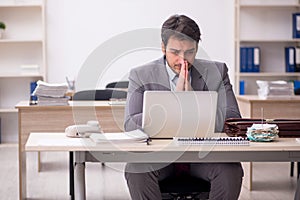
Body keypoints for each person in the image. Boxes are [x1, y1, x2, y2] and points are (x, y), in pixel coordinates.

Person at [124, 14, 243, 200]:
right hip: (159, 156)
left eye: (189, 52)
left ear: (196, 48)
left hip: (204, 156)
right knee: (136, 169)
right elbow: (130, 124)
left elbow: (233, 117)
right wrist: (175, 101)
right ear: (163, 48)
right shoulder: (141, 75)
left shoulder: (217, 72)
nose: (183, 59)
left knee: (231, 170)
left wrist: (193, 99)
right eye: (175, 52)